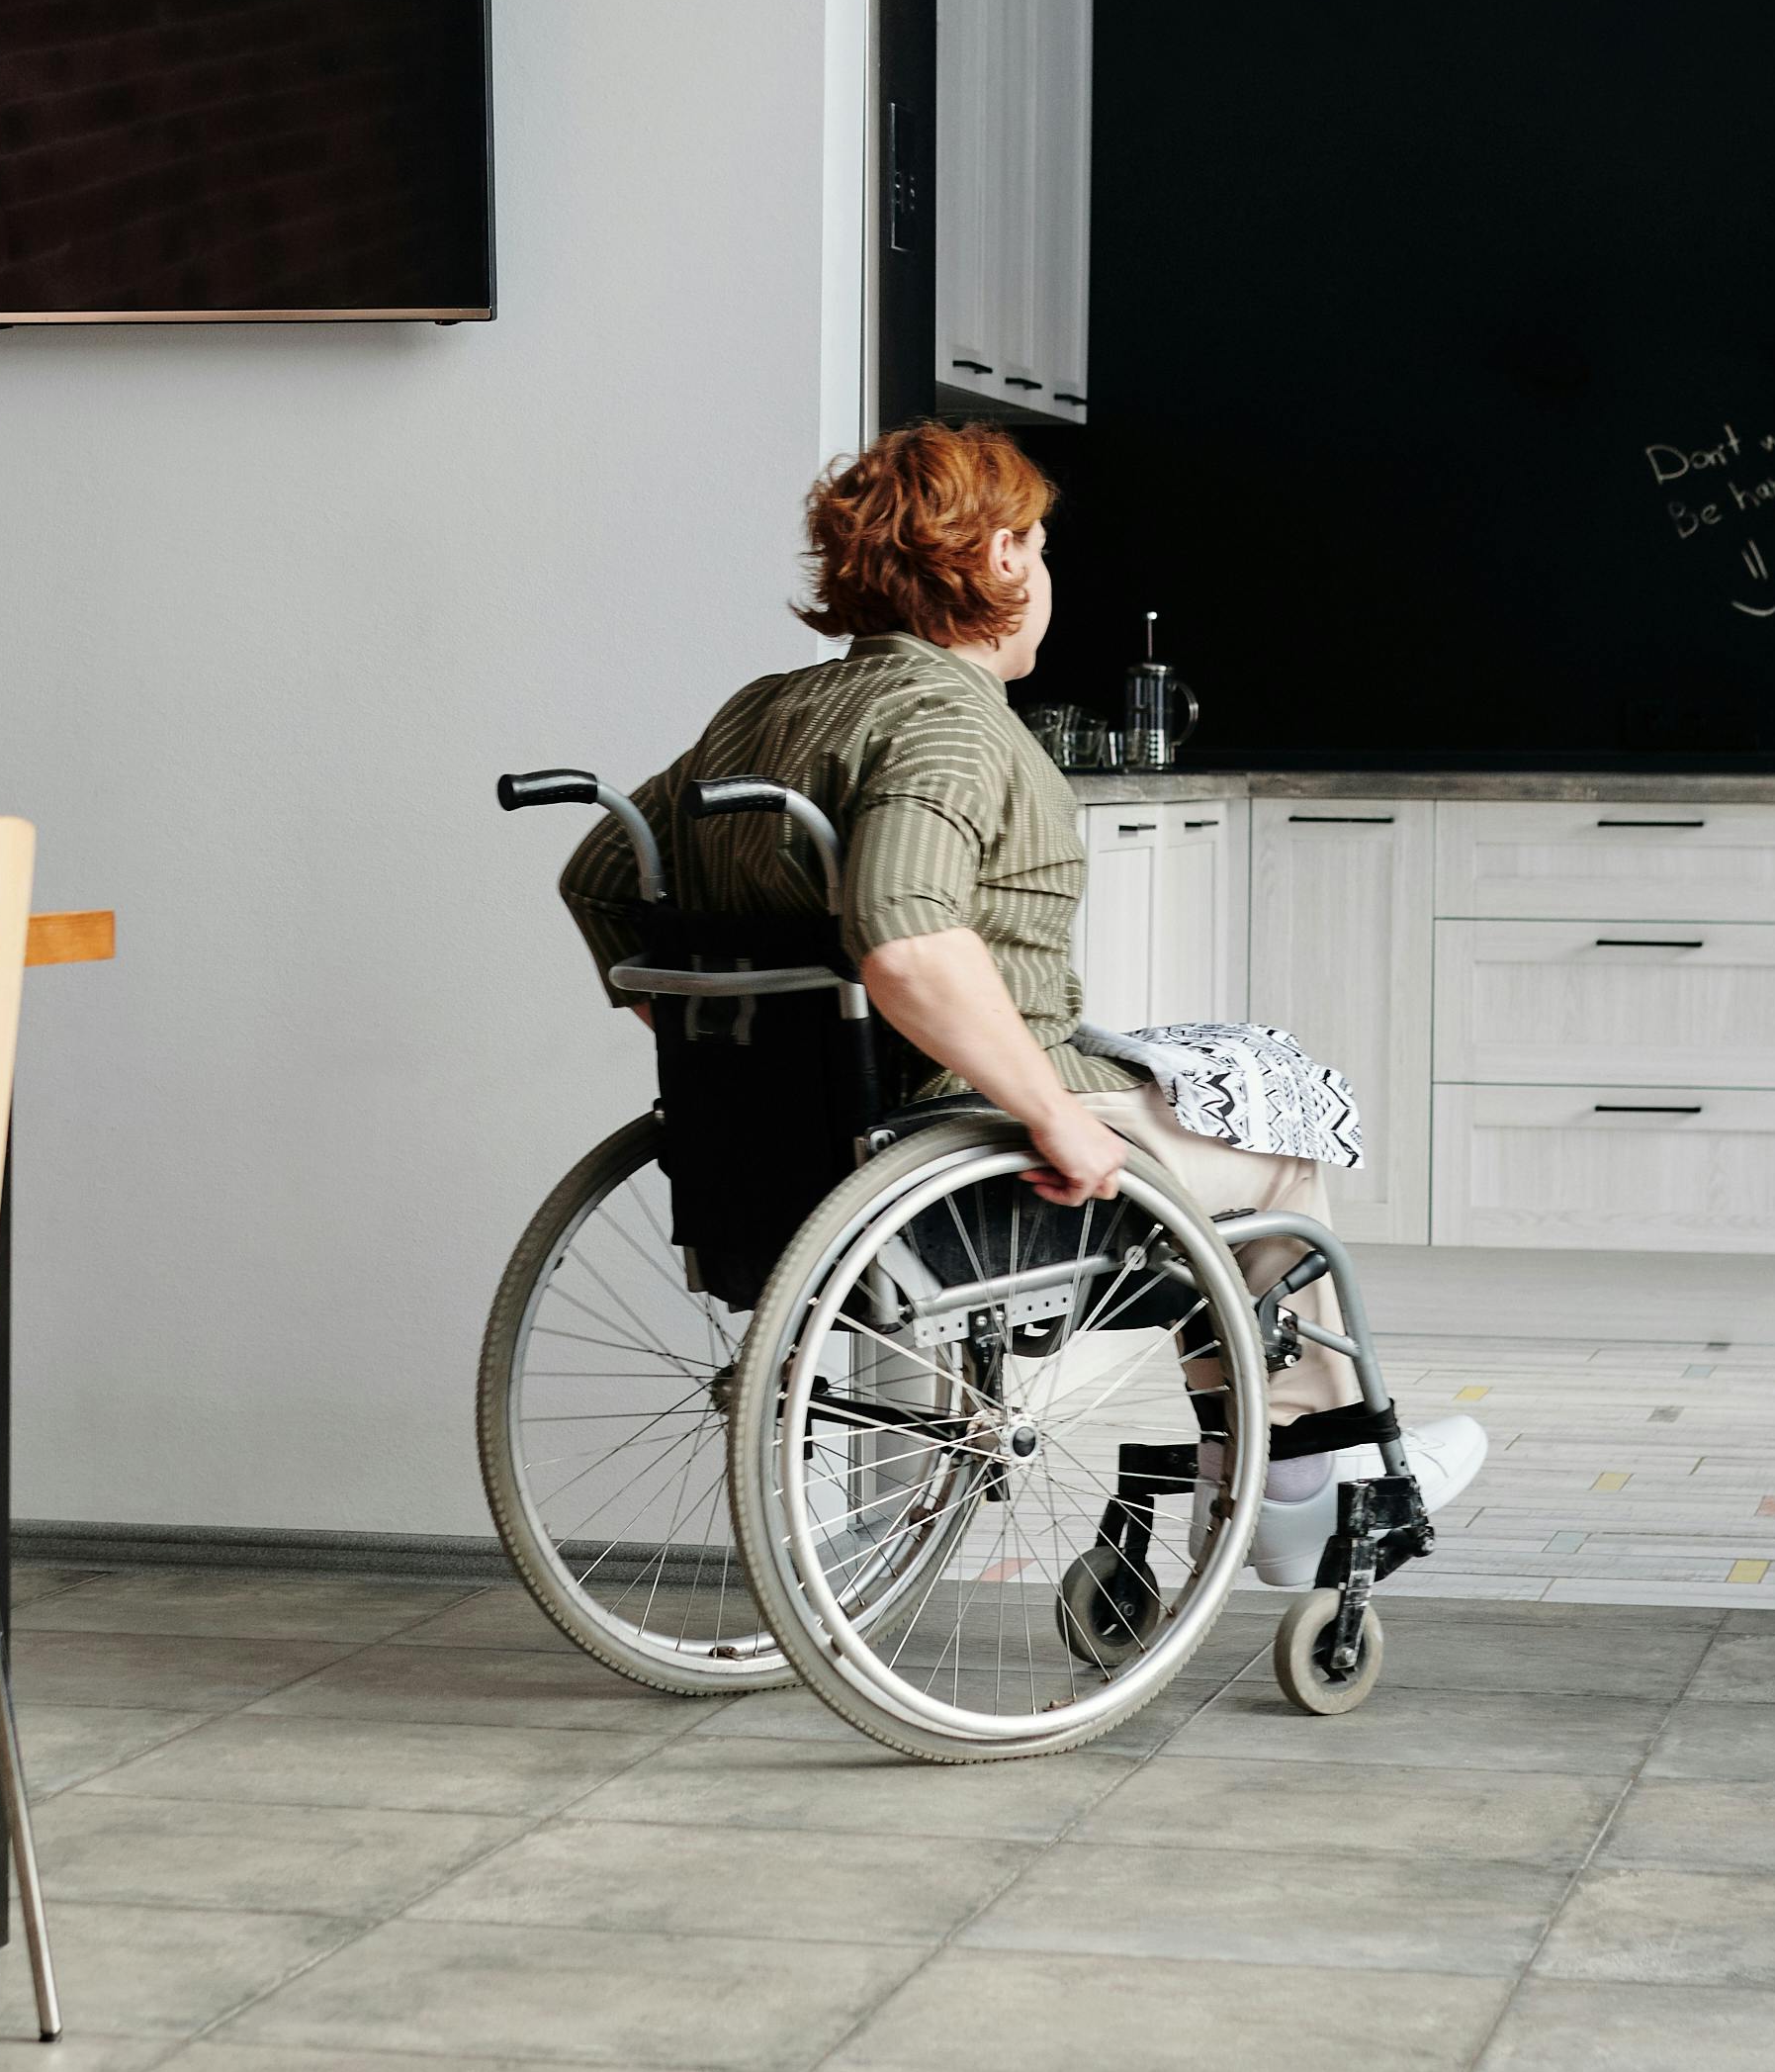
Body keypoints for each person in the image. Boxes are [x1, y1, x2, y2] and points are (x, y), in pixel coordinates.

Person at [562, 419, 1482, 1520]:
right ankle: (1301, 1490)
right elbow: (903, 935)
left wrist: (736, 1041)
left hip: (782, 1149)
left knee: (1221, 1072)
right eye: (1038, 547)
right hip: (960, 1149)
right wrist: (1052, 1115)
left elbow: (602, 876)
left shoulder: (764, 711)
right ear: (999, 555)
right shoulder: (952, 721)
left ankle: (1269, 1462)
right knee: (1277, 1158)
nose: (1044, 573)